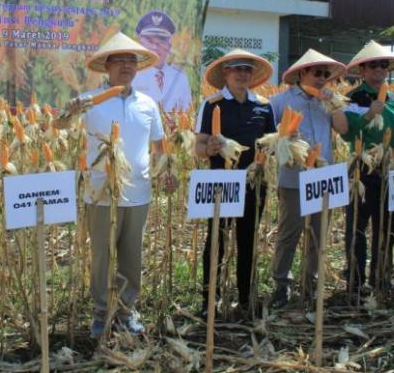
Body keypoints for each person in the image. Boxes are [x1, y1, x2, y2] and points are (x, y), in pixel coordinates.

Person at [54, 32, 176, 338]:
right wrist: (69, 111)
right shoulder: (89, 101)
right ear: (106, 67)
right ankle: (100, 312)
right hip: (100, 192)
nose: (125, 66)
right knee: (101, 256)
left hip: (138, 192)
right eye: (118, 60)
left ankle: (126, 310)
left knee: (132, 256)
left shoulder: (147, 104)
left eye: (130, 61)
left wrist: (167, 172)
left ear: (137, 67)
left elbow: (159, 147)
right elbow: (59, 125)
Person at [194, 49, 275, 318]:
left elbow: (270, 144)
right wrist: (210, 148)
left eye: (247, 69)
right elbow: (199, 146)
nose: (242, 74)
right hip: (222, 182)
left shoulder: (264, 106)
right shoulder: (211, 104)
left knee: (248, 240)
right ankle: (210, 299)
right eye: (237, 69)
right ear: (226, 73)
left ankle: (246, 297)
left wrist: (283, 142)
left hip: (253, 183)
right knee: (216, 241)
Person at [269, 49, 348, 308]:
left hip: (324, 177)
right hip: (294, 177)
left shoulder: (328, 102)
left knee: (318, 233)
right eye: (317, 73)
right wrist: (286, 141)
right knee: (289, 232)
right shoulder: (280, 101)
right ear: (303, 73)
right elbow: (268, 140)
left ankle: (310, 283)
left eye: (326, 74)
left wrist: (334, 104)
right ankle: (281, 284)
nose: (322, 78)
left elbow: (343, 129)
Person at [341, 41, 394, 295]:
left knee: (387, 228)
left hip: (389, 169)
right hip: (361, 168)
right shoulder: (353, 97)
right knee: (356, 226)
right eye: (373, 65)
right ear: (363, 70)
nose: (379, 69)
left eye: (383, 65)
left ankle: (381, 278)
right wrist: (368, 114)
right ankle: (355, 281)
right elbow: (347, 134)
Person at [131, 10, 192, 112]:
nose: (155, 47)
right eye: (150, 41)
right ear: (140, 44)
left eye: (161, 41)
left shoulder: (180, 78)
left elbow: (187, 113)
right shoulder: (131, 76)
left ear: (169, 46)